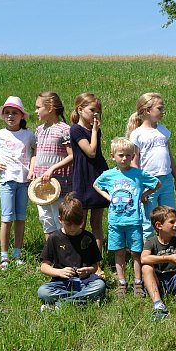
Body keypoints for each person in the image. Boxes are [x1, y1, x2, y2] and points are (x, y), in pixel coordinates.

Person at [93, 137, 160, 298]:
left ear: (133, 156)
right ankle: (122, 282)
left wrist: (143, 195)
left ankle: (138, 282)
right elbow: (96, 184)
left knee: (136, 253)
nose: (124, 159)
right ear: (113, 156)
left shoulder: (139, 174)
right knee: (119, 252)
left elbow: (157, 183)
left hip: (134, 221)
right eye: (121, 155)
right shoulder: (109, 175)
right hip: (115, 222)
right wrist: (108, 197)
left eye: (128, 155)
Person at [0, 96, 36, 270]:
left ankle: (17, 254)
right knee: (7, 218)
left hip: (24, 181)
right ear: (3, 116)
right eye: (7, 113)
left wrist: (32, 168)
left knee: (20, 218)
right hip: (7, 181)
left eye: (14, 113)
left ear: (22, 116)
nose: (10, 116)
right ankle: (4, 257)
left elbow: (36, 149)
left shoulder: (27, 134)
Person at [126, 92, 176, 239]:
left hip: (166, 180)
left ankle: (170, 247)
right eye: (159, 108)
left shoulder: (163, 131)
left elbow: (169, 156)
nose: (163, 111)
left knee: (170, 216)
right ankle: (148, 250)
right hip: (148, 182)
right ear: (147, 110)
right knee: (148, 220)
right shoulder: (137, 134)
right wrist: (141, 185)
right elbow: (134, 162)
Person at [37, 194, 107, 311]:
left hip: (85, 281)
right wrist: (59, 272)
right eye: (68, 224)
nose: (73, 228)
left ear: (82, 221)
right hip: (61, 282)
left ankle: (61, 304)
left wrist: (88, 270)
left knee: (100, 286)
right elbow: (44, 266)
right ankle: (83, 301)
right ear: (60, 219)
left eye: (77, 224)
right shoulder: (54, 238)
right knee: (43, 291)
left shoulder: (88, 237)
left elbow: (95, 266)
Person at [28, 91, 73, 240]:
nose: (36, 111)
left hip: (59, 186)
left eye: (38, 107)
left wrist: (53, 168)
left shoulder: (64, 130)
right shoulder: (39, 130)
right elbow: (35, 152)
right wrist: (32, 169)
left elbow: (72, 156)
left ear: (50, 107)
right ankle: (51, 250)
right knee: (46, 220)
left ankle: (64, 250)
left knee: (60, 219)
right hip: (41, 185)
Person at [70, 92, 109, 251]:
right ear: (80, 110)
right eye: (92, 110)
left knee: (97, 222)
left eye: (97, 111)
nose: (95, 114)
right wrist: (94, 131)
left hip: (98, 173)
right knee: (80, 221)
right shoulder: (75, 129)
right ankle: (79, 257)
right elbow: (91, 152)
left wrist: (95, 131)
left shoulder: (95, 130)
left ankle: (96, 259)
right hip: (83, 176)